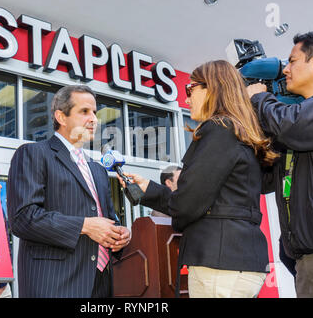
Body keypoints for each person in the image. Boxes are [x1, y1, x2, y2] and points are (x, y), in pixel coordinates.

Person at [119, 60, 278, 298]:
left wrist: (152, 193)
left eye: (190, 89)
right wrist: (149, 189)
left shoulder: (219, 128)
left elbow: (187, 204)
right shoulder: (238, 131)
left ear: (212, 88)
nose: (187, 98)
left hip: (220, 264)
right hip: (237, 262)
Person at [247, 30, 313, 298]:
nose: (286, 69)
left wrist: (259, 98)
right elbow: (265, 179)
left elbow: (295, 127)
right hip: (305, 261)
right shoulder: (297, 117)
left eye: (292, 61)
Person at [7, 85, 130, 298]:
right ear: (61, 117)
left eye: (94, 112)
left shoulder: (98, 170)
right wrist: (85, 226)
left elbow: (108, 220)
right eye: (84, 112)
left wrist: (119, 236)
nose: (94, 119)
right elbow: (23, 218)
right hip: (55, 285)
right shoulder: (34, 154)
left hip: (100, 284)